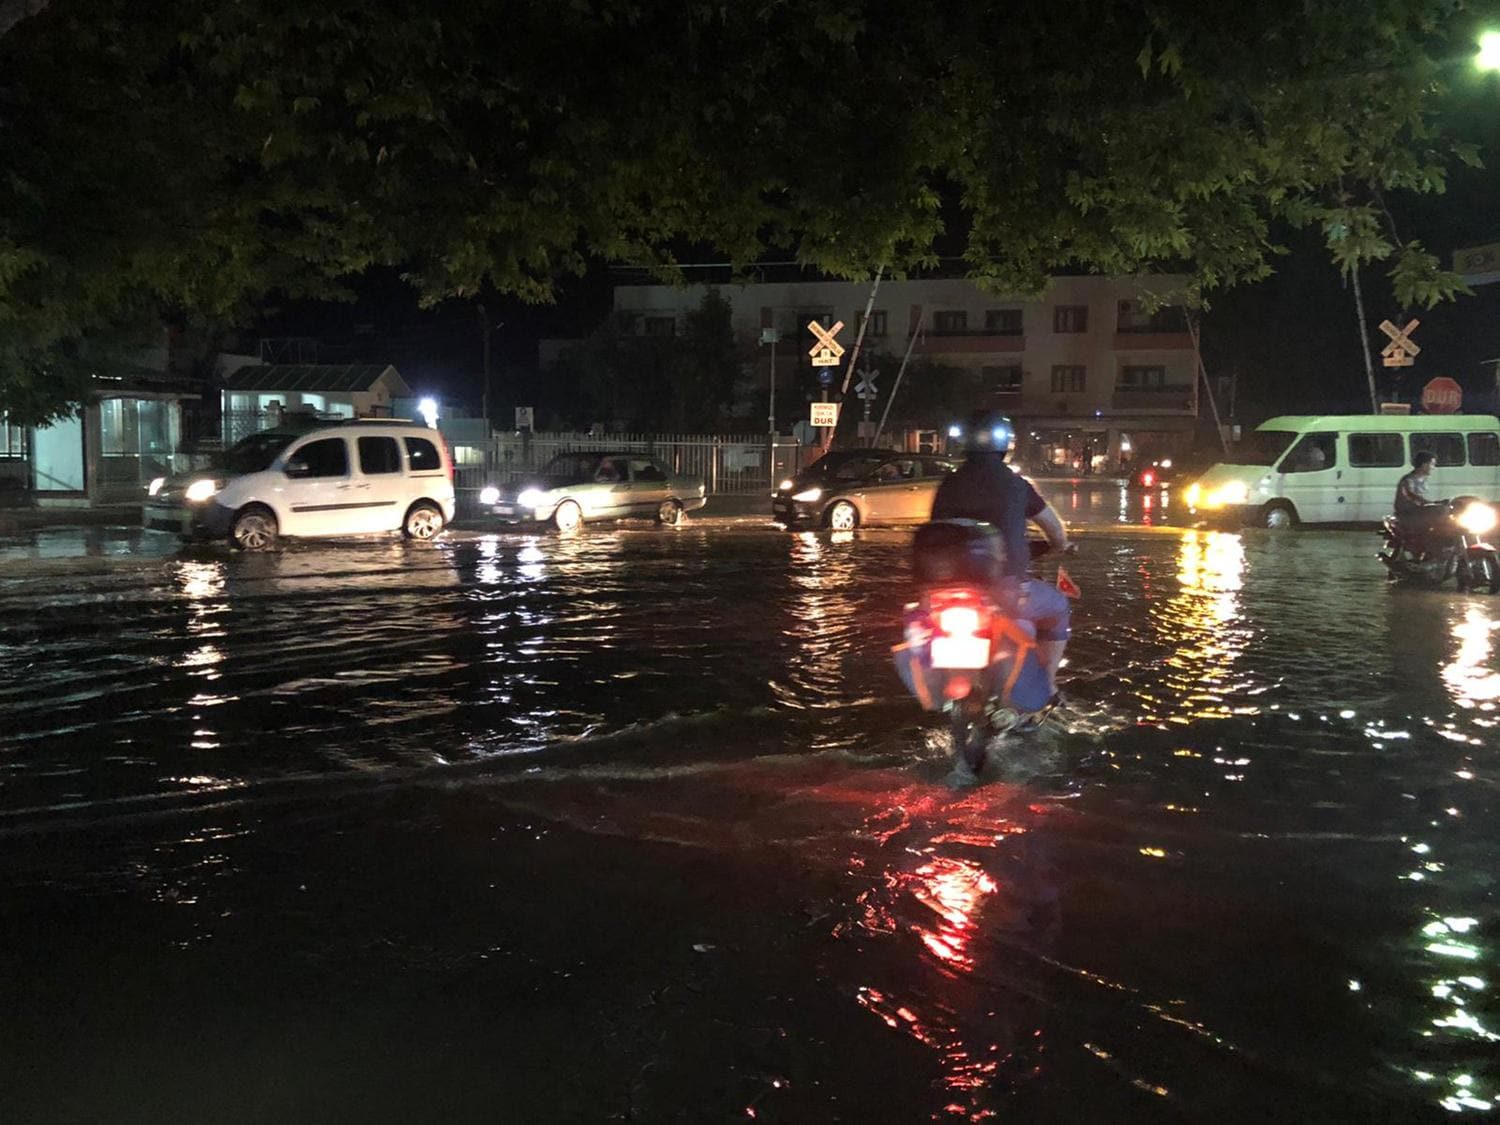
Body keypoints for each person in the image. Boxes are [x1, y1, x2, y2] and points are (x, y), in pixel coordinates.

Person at [930, 409, 1072, 726]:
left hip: (946, 594)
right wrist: (1061, 546)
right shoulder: (1017, 485)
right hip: (1005, 590)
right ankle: (1048, 688)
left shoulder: (948, 484)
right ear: (1004, 443)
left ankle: (965, 691)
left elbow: (936, 529)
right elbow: (1055, 530)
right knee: (1059, 607)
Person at [1394, 451, 1445, 535]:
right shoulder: (1409, 480)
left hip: (1417, 512)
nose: (1433, 468)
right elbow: (1412, 496)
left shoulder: (1422, 479)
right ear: (1424, 465)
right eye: (1432, 464)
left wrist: (1436, 503)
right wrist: (1431, 504)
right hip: (1408, 515)